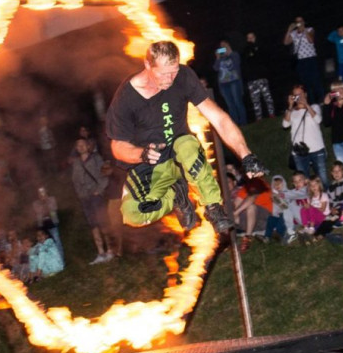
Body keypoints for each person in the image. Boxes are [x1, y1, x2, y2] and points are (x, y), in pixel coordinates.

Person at [106, 41, 265, 235]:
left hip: (181, 150)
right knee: (134, 214)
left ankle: (213, 207)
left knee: (187, 145)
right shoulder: (126, 97)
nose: (170, 78)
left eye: (173, 71)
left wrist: (246, 155)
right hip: (151, 161)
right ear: (148, 65)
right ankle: (175, 195)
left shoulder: (184, 76)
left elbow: (218, 118)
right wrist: (142, 154)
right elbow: (118, 145)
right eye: (164, 73)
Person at [70, 137, 115, 264]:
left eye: (82, 144)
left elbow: (105, 174)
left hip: (96, 196)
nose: (81, 147)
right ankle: (101, 253)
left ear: (87, 146)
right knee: (93, 225)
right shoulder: (77, 163)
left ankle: (110, 250)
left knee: (103, 223)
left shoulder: (96, 158)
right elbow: (75, 181)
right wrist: (80, 194)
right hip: (85, 198)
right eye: (78, 145)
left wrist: (99, 190)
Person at [282, 84, 328, 186]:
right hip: (299, 152)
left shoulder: (314, 107)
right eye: (295, 95)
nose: (298, 97)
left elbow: (318, 120)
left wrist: (307, 105)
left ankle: (327, 199)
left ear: (305, 94)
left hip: (316, 148)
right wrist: (290, 106)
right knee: (303, 183)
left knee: (322, 179)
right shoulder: (291, 112)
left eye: (300, 94)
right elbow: (285, 125)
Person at [283, 16, 325, 101]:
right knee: (305, 82)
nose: (299, 23)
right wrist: (289, 30)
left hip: (310, 58)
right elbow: (286, 42)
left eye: (301, 21)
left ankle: (322, 99)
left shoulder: (310, 29)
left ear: (304, 22)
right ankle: (312, 101)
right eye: (297, 22)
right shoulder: (294, 33)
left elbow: (311, 40)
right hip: (300, 60)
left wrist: (304, 30)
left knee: (315, 79)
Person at [212, 39, 247, 128]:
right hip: (224, 84)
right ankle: (235, 124)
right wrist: (218, 58)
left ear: (228, 45)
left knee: (237, 101)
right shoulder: (220, 58)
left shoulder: (234, 54)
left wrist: (230, 52)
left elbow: (236, 64)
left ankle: (243, 123)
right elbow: (215, 68)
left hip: (234, 81)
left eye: (225, 45)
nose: (223, 47)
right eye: (221, 46)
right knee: (230, 104)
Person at [241, 31, 275, 121]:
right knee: (255, 101)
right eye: (248, 38)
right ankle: (259, 118)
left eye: (252, 37)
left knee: (267, 97)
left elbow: (264, 59)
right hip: (251, 80)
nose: (250, 39)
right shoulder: (245, 50)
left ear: (255, 37)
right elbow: (245, 63)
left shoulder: (261, 47)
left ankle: (271, 114)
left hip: (262, 78)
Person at [32, 185, 62, 261]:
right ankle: (52, 262)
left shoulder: (51, 199)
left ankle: (61, 260)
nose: (42, 194)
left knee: (57, 241)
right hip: (43, 226)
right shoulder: (36, 203)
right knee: (46, 245)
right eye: (40, 193)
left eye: (43, 192)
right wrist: (42, 204)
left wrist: (46, 201)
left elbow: (54, 208)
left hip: (52, 223)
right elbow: (38, 212)